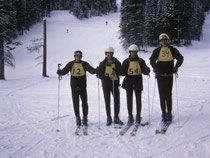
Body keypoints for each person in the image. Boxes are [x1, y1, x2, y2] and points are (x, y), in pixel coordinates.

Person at [57, 50, 97, 126]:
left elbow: (91, 70)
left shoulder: (84, 64)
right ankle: (77, 117)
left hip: (82, 86)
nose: (78, 57)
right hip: (74, 86)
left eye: (79, 56)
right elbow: (64, 71)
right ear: (74, 56)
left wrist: (97, 70)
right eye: (76, 56)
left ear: (81, 57)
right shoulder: (71, 64)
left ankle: (85, 117)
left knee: (84, 102)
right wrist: (60, 72)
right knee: (76, 103)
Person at [150, 33, 184, 122]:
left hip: (169, 75)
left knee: (168, 95)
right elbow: (151, 59)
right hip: (160, 76)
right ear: (160, 42)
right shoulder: (157, 50)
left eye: (165, 40)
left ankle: (169, 113)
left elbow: (180, 58)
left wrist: (176, 67)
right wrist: (154, 68)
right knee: (162, 95)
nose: (163, 42)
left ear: (167, 41)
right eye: (162, 41)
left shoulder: (172, 50)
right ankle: (163, 113)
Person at [122, 44, 150, 125]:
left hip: (138, 81)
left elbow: (144, 70)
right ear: (130, 52)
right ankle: (130, 116)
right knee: (129, 100)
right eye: (131, 52)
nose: (133, 54)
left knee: (138, 100)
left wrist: (147, 70)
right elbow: (123, 72)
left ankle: (138, 115)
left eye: (134, 52)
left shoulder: (141, 61)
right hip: (129, 81)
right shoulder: (126, 61)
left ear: (137, 52)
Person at [97, 46, 124, 126]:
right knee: (107, 101)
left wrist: (115, 68)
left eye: (110, 53)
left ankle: (116, 117)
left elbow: (122, 72)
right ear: (106, 54)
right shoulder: (102, 63)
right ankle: (109, 117)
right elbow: (100, 74)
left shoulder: (116, 62)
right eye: (107, 53)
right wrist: (104, 77)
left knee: (116, 101)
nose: (109, 55)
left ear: (112, 54)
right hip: (106, 85)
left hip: (114, 84)